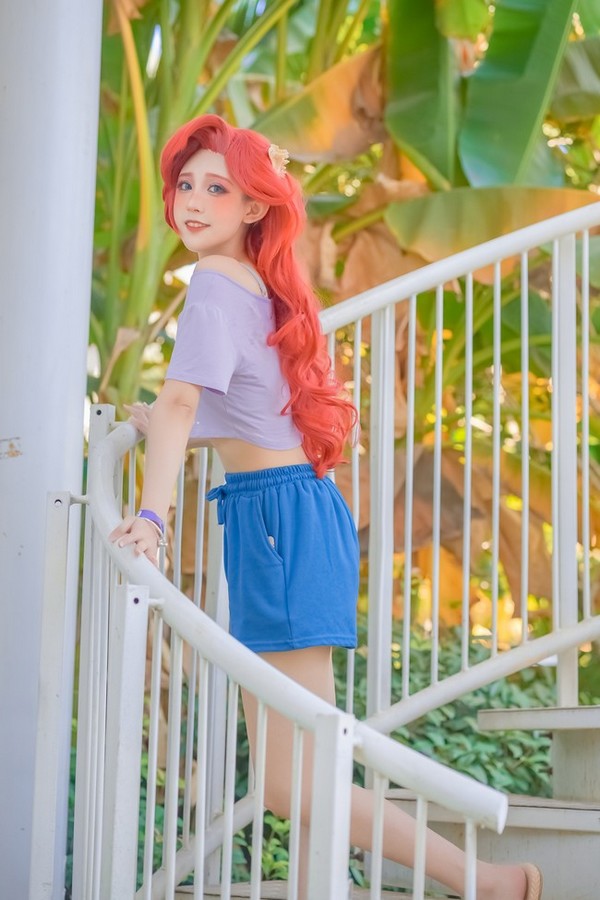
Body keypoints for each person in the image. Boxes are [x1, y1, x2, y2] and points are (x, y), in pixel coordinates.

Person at [109, 114, 542, 900]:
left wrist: (153, 517)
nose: (192, 200)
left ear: (254, 206)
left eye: (217, 188)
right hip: (281, 517)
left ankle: (488, 882)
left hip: (278, 525)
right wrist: (163, 426)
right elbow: (240, 415)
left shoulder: (216, 283)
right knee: (294, 776)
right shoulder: (254, 286)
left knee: (301, 771)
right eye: (185, 184)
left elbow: (180, 401)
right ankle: (480, 881)